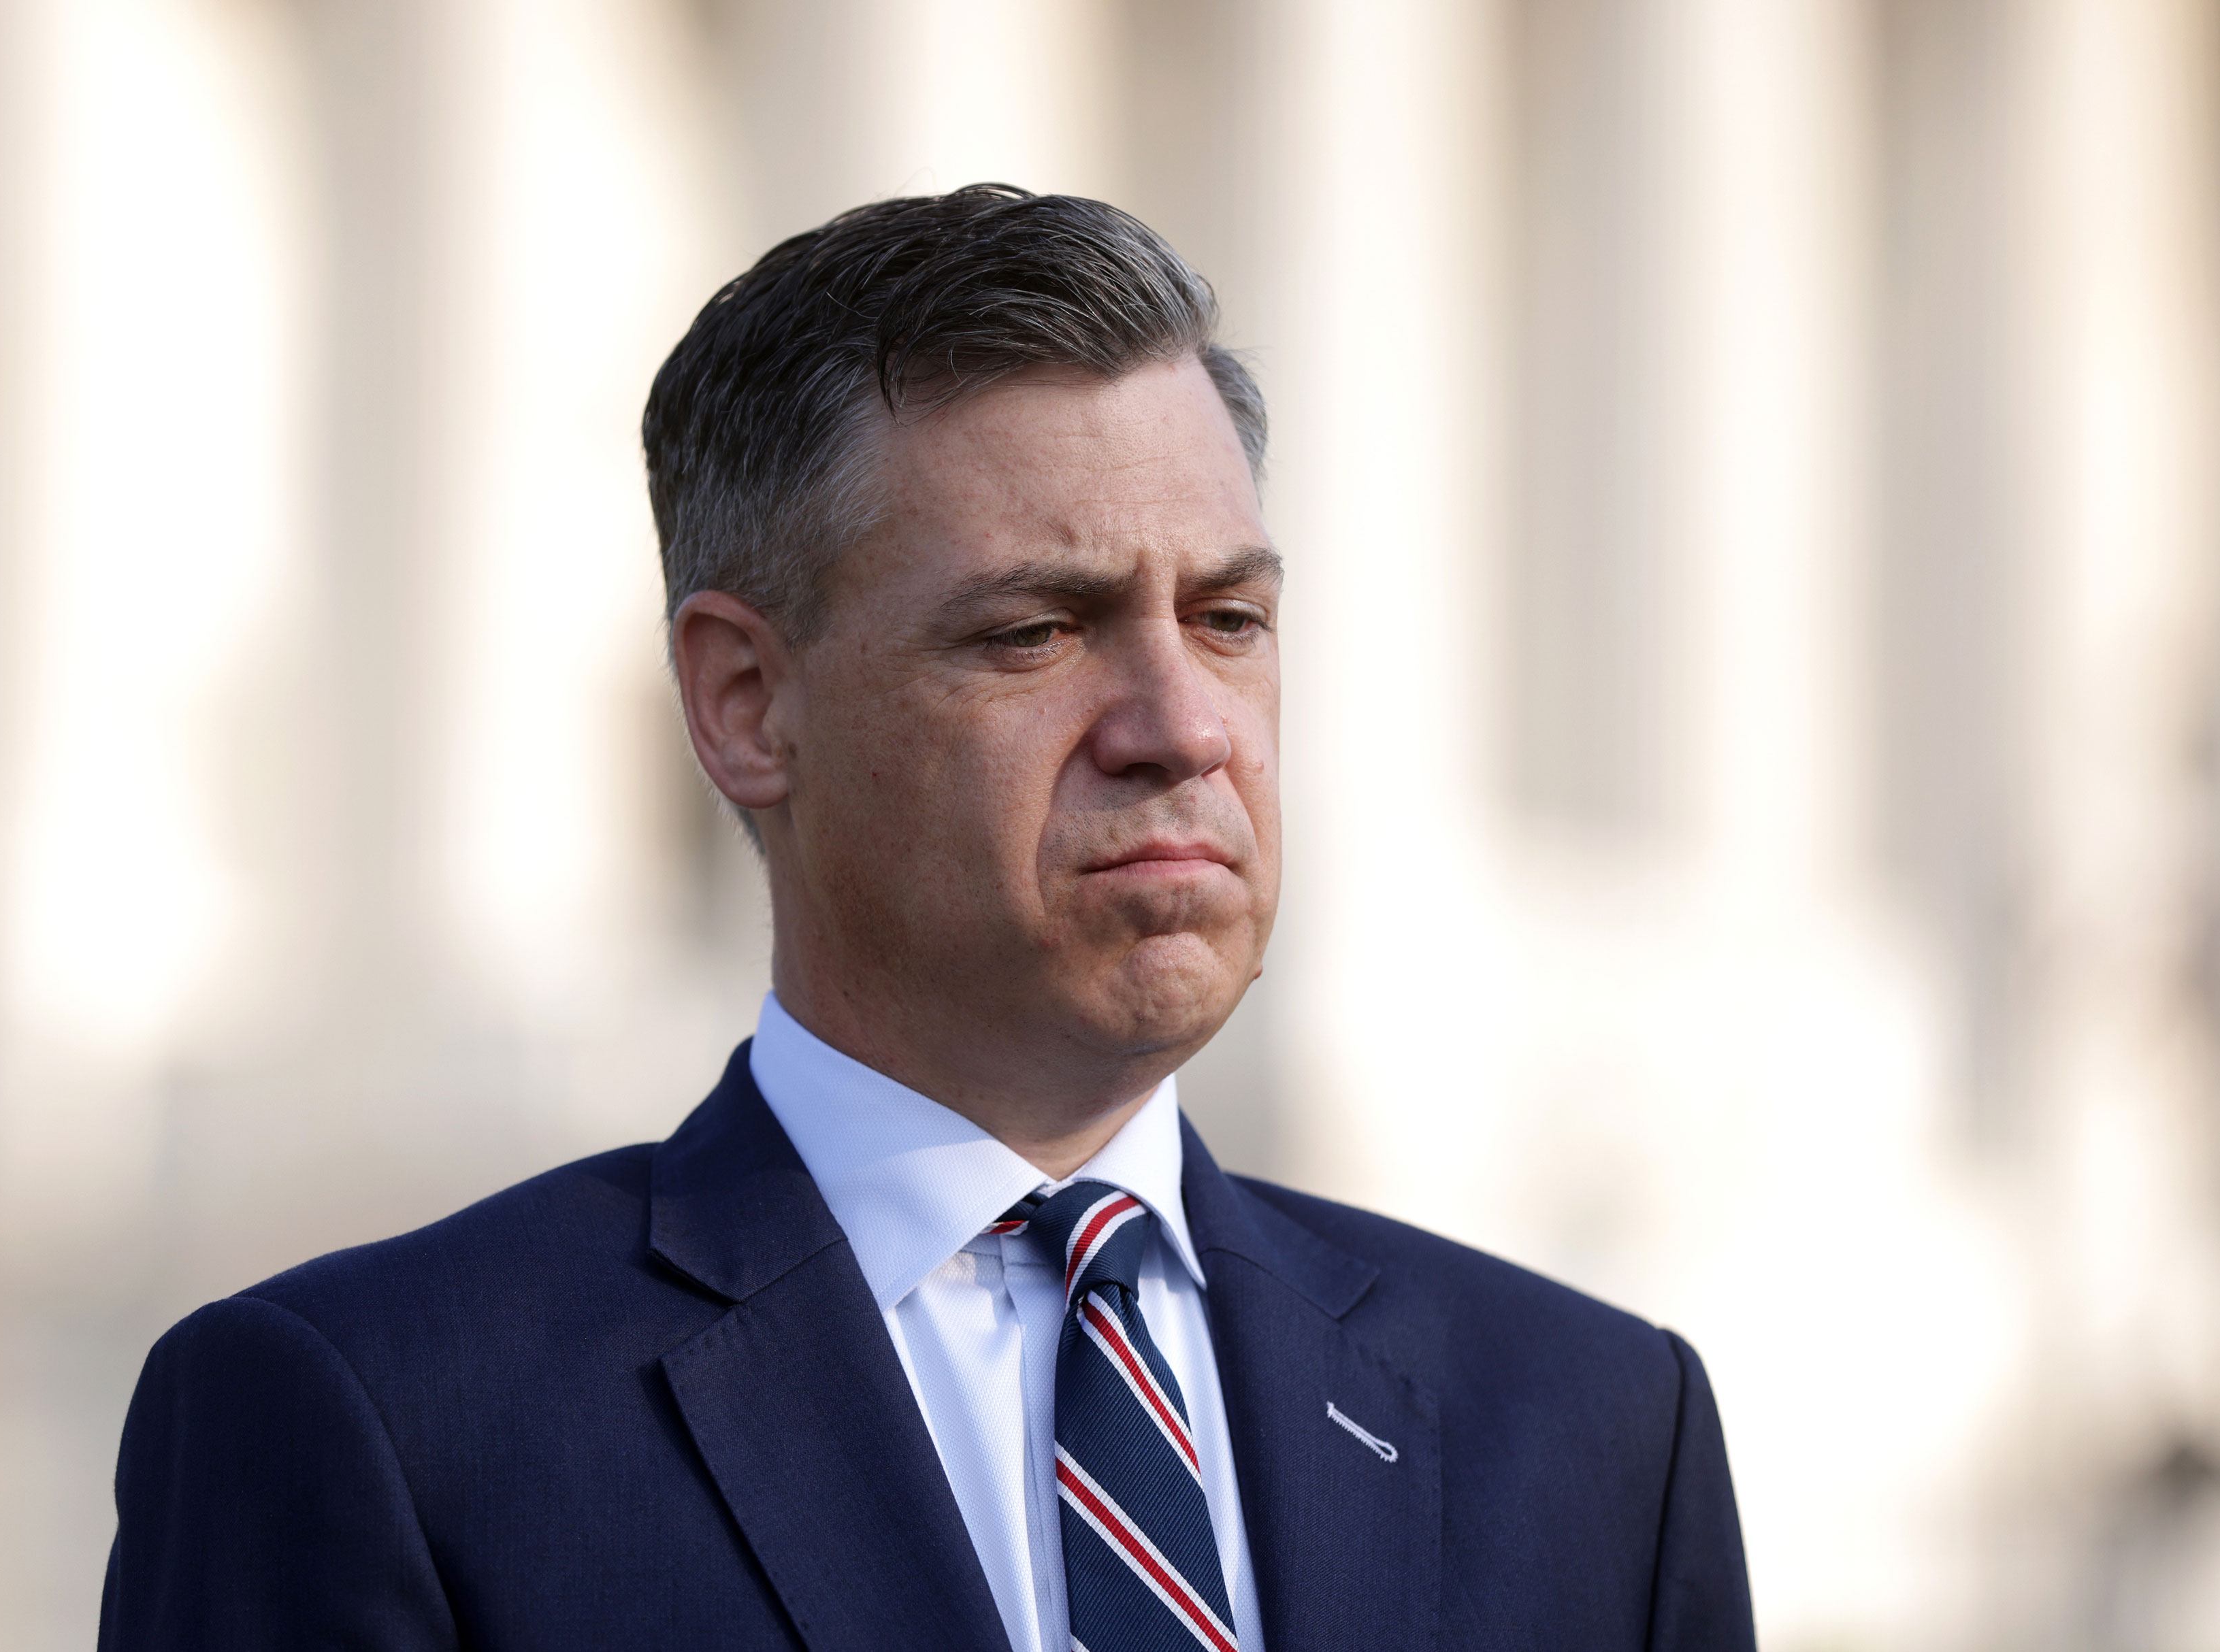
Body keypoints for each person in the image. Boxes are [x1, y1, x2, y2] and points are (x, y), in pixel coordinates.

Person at [97, 184, 1754, 1651]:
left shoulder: (1598, 1435)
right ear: (748, 702)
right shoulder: (377, 1422)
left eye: (1231, 616)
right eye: (1039, 631)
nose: (1183, 724)